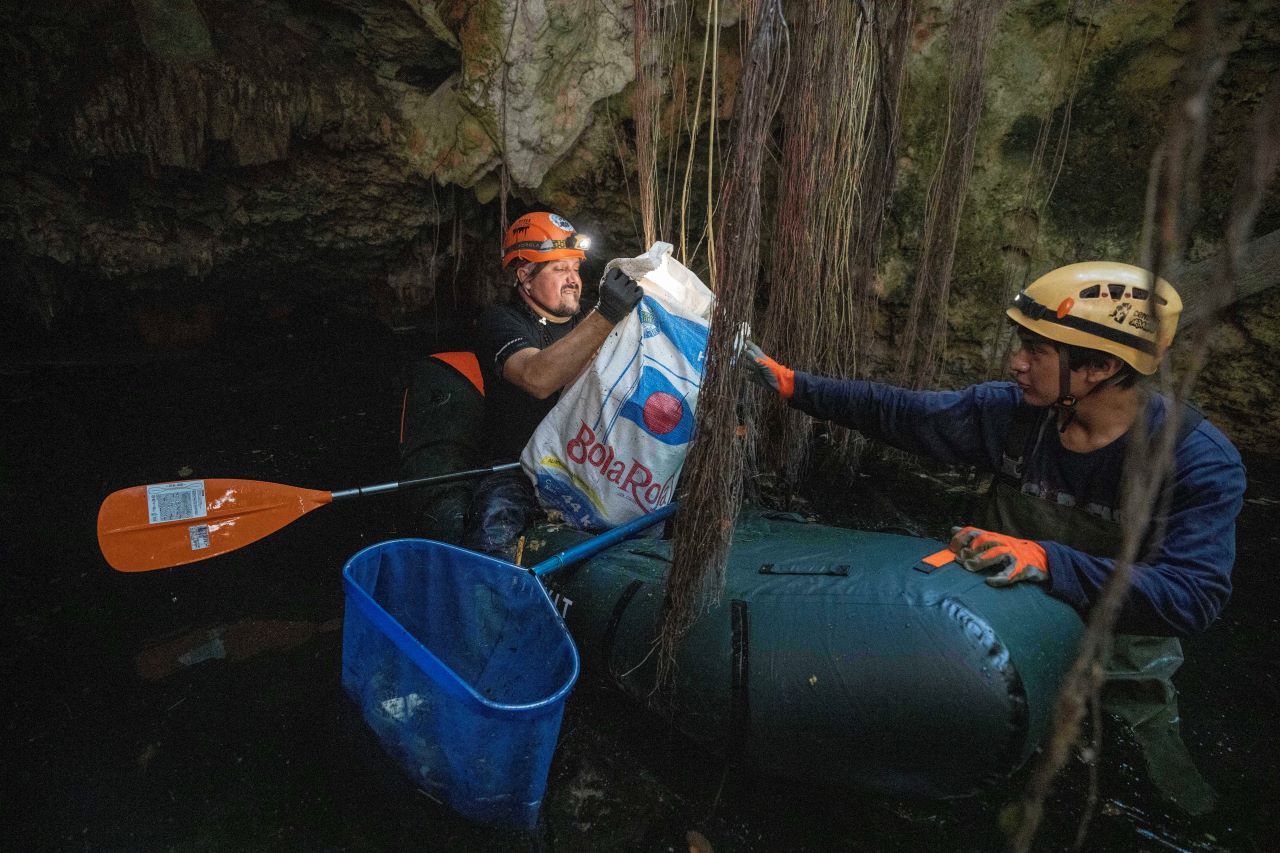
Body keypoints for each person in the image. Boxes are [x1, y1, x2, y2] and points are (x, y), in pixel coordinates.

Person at [742, 261, 1246, 814]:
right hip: (996, 627)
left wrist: (1048, 562)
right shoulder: (1015, 416)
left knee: (1150, 798)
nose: (1016, 362)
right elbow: (903, 414)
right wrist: (792, 385)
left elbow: (1194, 597)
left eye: (1037, 351)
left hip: (1119, 659)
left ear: (1099, 366)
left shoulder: (1196, 460)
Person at [464, 211, 643, 558]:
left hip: (588, 463)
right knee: (491, 531)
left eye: (575, 268)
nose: (573, 278)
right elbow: (538, 377)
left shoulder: (594, 312)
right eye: (559, 269)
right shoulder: (501, 321)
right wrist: (607, 315)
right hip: (516, 470)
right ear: (526, 277)